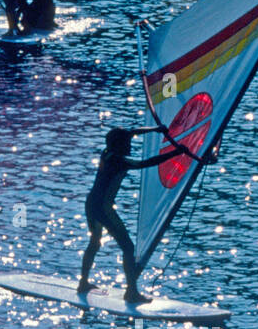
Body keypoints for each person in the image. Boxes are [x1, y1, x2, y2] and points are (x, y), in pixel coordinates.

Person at [78, 127, 205, 302]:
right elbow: (145, 164)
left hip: (91, 203)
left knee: (94, 243)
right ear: (119, 146)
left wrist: (155, 129)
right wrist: (176, 153)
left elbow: (131, 131)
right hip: (102, 208)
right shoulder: (118, 161)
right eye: (127, 143)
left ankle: (83, 283)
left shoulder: (107, 152)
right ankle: (131, 293)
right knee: (128, 248)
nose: (130, 145)